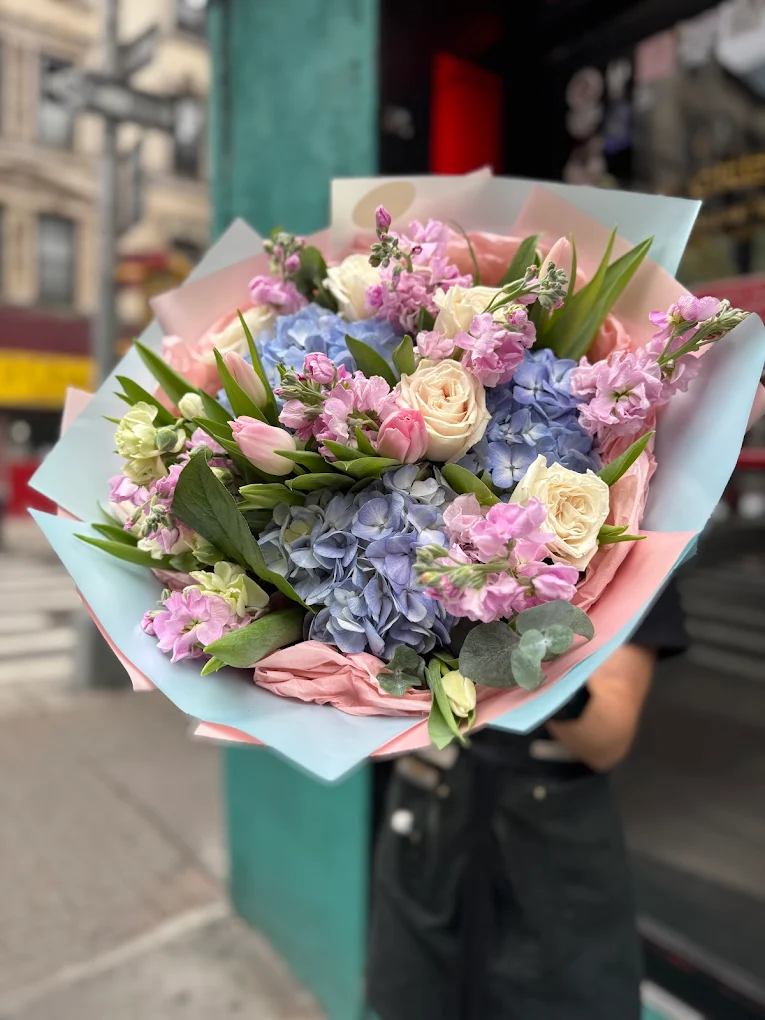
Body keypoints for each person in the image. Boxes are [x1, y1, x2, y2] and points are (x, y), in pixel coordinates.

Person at [366, 584, 688, 1020]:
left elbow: (608, 738)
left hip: (552, 856)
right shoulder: (421, 532)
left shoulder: (635, 544)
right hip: (426, 834)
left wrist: (517, 641)